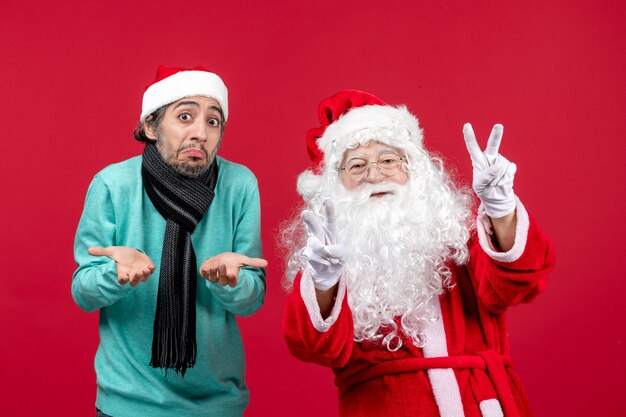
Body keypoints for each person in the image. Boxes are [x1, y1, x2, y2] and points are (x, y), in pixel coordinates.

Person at [281, 90, 554, 417]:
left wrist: (501, 210)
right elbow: (314, 347)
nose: (374, 174)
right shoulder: (327, 255)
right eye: (357, 165)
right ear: (335, 185)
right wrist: (325, 284)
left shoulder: (455, 232)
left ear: (413, 167)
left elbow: (517, 286)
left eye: (388, 160)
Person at [72, 65, 267, 417]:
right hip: (128, 403)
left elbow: (252, 300)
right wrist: (113, 275)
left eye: (212, 121)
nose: (200, 133)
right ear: (151, 127)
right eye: (185, 116)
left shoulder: (240, 185)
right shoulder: (112, 185)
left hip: (216, 403)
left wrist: (232, 282)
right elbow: (83, 293)